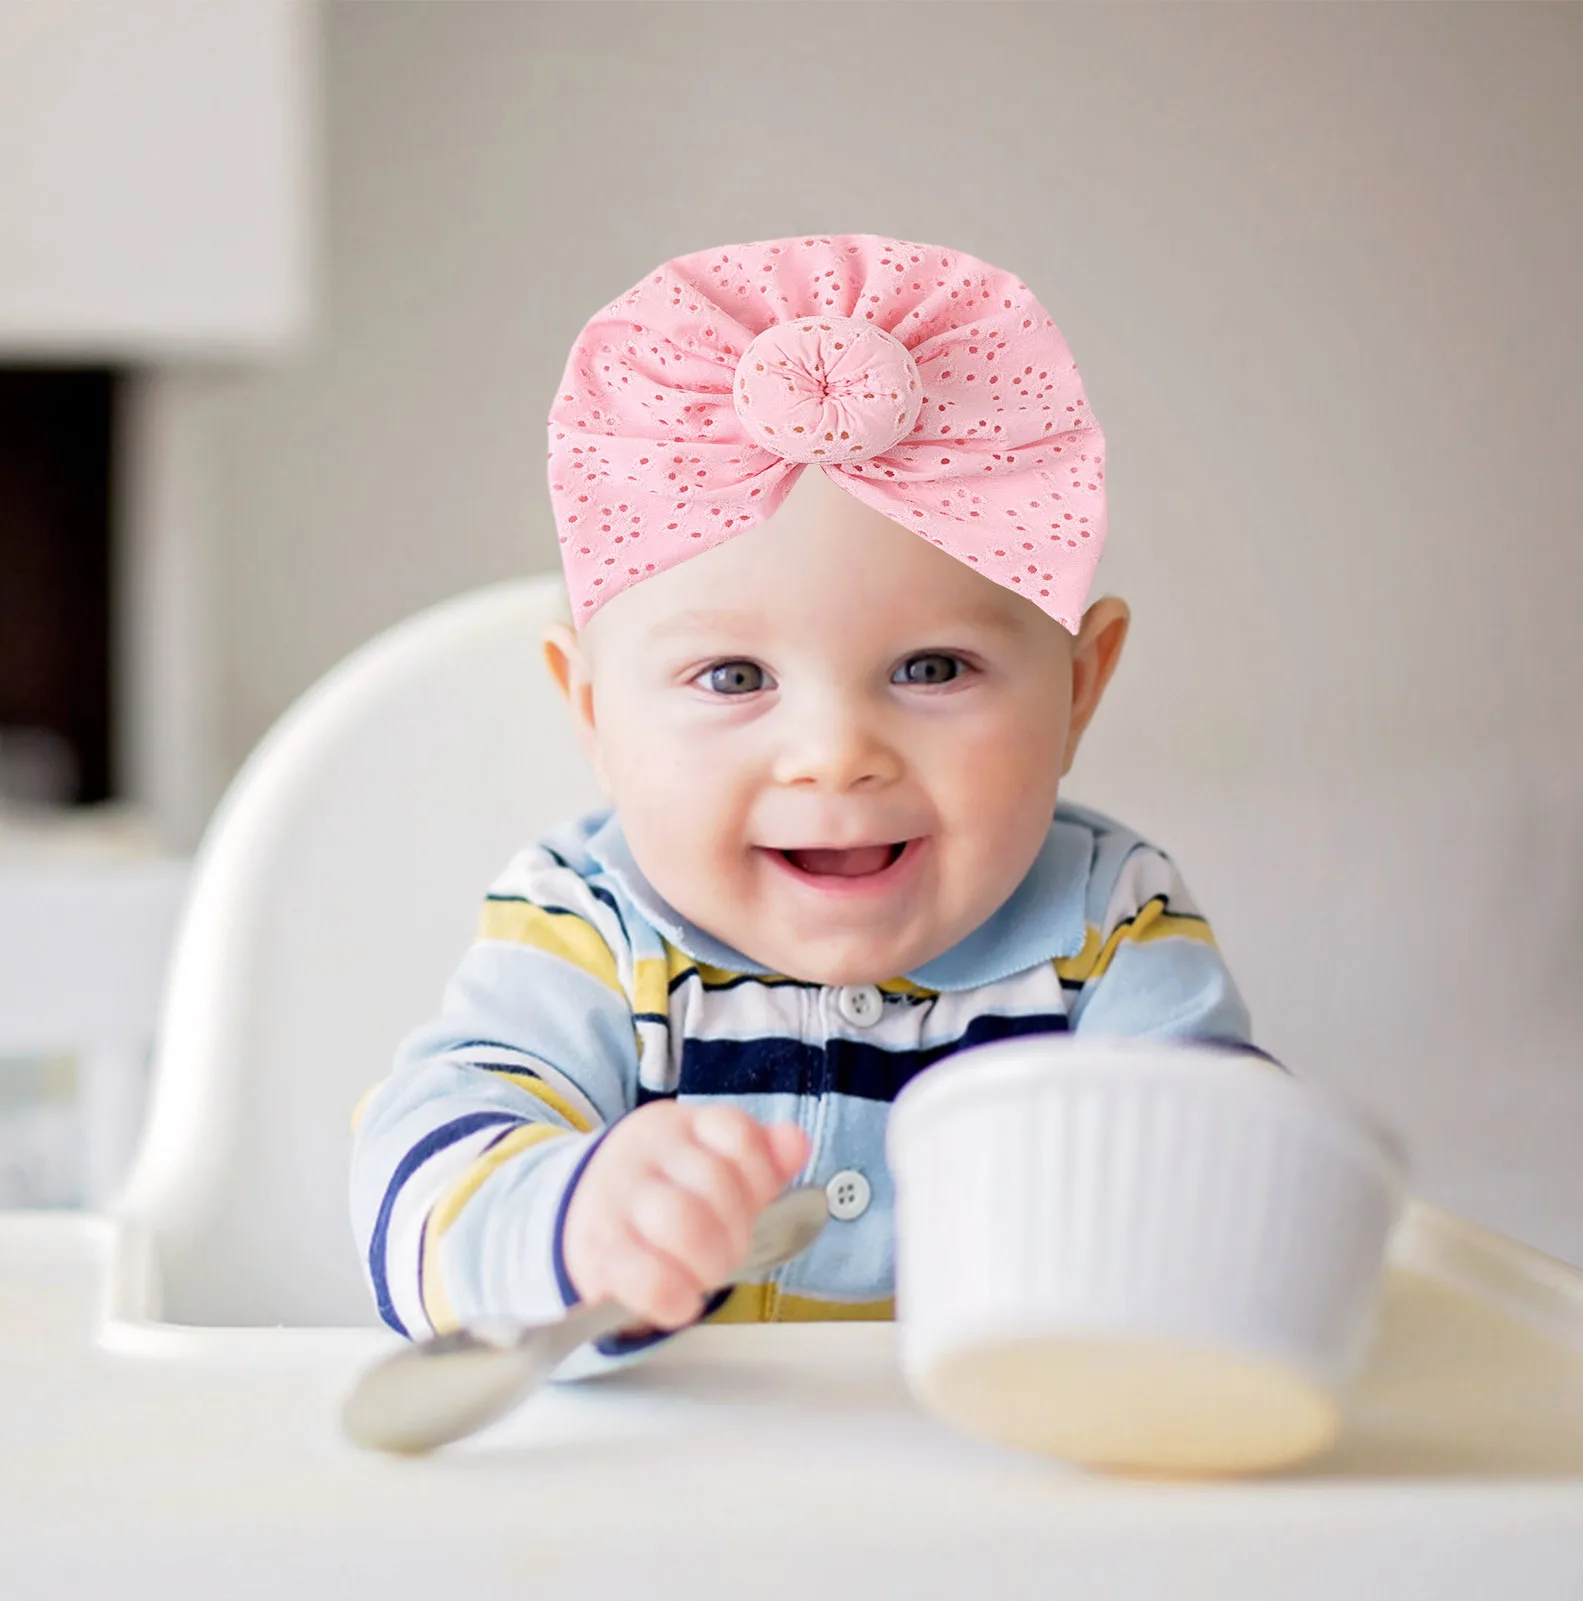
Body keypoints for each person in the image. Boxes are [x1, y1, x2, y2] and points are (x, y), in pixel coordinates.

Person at [350, 234, 1254, 1365]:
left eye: (931, 669)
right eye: (734, 678)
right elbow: (419, 1186)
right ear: (590, 712)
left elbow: (1234, 1192)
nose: (833, 756)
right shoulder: (586, 925)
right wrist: (569, 1217)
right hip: (668, 1510)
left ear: (1079, 687)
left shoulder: (1106, 926)